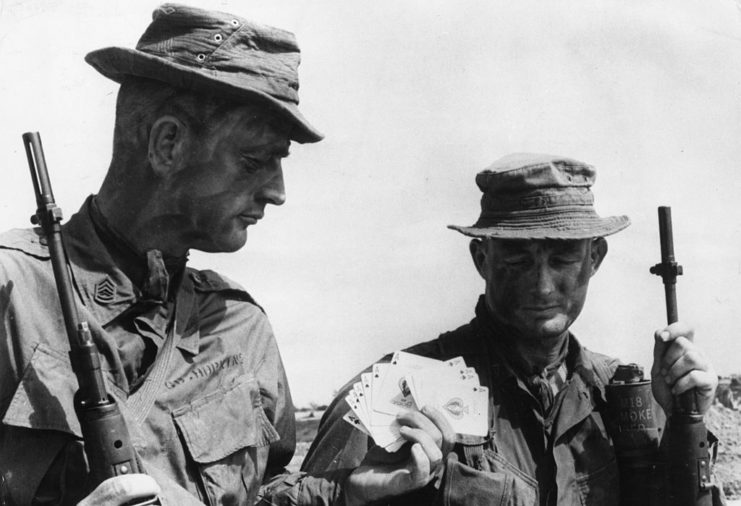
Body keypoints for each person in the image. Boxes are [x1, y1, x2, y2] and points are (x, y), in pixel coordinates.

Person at [0, 3, 339, 505]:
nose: (277, 191)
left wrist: (349, 489)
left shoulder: (239, 325)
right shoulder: (13, 294)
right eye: (253, 160)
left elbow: (266, 489)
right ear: (168, 144)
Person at [300, 153, 722, 505]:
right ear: (481, 259)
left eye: (562, 259)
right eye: (518, 259)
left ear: (595, 258)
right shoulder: (396, 389)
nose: (541, 286)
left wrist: (686, 420)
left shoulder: (624, 395)